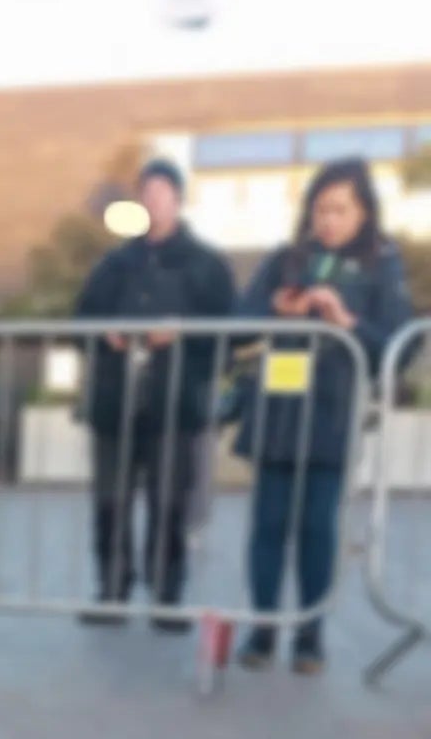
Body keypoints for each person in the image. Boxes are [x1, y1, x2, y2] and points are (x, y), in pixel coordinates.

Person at [235, 158, 413, 675]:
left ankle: (309, 638)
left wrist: (344, 319)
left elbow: (396, 349)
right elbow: (239, 323)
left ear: (363, 212)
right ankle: (262, 630)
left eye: (340, 209)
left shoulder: (383, 264)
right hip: (277, 414)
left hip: (332, 418)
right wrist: (275, 310)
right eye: (321, 209)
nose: (328, 220)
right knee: (268, 525)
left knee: (318, 527)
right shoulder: (286, 259)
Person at [75, 159, 235, 627]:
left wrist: (181, 334)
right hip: (116, 403)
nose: (154, 200)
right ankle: (112, 589)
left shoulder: (205, 265)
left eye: (163, 191)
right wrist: (108, 335)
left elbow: (228, 330)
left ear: (178, 198)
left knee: (169, 503)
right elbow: (81, 320)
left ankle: (166, 597)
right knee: (111, 501)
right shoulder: (115, 264)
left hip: (174, 405)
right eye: (147, 191)